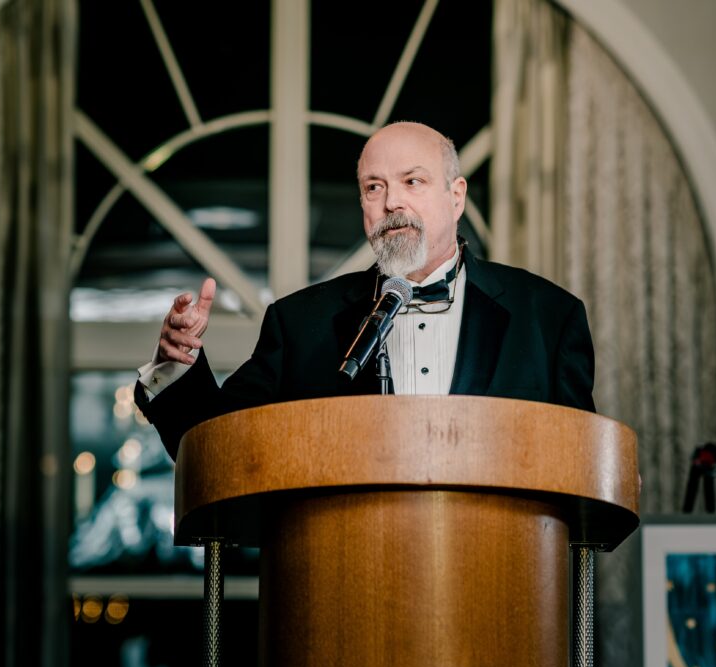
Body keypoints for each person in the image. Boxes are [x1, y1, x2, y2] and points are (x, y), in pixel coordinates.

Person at [135, 122, 596, 459]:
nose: (392, 202)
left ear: (456, 197)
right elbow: (218, 446)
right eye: (374, 187)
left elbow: (581, 466)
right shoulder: (301, 324)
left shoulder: (548, 318)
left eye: (413, 181)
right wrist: (177, 366)